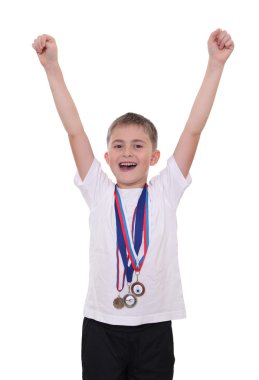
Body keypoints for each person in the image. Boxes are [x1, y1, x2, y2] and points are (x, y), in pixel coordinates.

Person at [32, 28, 234, 380]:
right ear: (107, 156)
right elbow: (75, 130)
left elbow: (192, 130)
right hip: (101, 325)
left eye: (138, 145)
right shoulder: (97, 189)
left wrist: (215, 66)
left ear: (154, 156)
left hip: (154, 327)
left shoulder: (165, 189)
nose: (128, 152)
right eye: (120, 145)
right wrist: (52, 68)